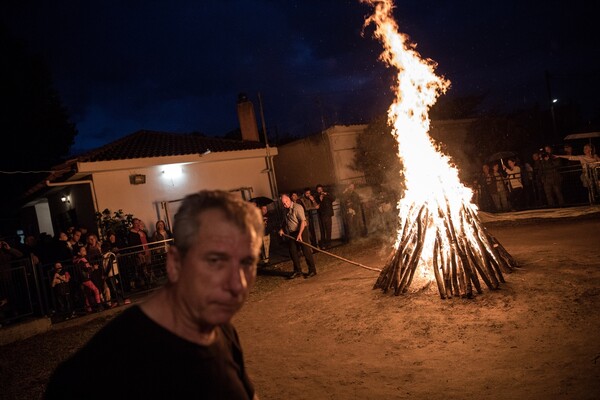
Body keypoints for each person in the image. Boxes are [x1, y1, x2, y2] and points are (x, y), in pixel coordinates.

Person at [44, 190, 263, 399]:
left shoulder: (223, 330)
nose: (238, 283)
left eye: (247, 262)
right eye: (216, 261)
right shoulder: (96, 372)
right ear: (175, 264)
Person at [278, 193, 317, 279]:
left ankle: (312, 270)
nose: (285, 204)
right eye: (283, 203)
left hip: (301, 231)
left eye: (286, 202)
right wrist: (282, 229)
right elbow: (285, 220)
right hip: (292, 233)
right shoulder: (285, 209)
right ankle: (297, 271)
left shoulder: (297, 207)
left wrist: (299, 234)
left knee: (306, 250)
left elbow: (303, 221)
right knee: (293, 251)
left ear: (289, 199)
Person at [315, 184, 336, 248]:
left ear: (322, 189)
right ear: (317, 191)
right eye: (318, 190)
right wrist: (320, 200)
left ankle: (329, 244)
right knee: (323, 230)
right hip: (321, 215)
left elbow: (333, 198)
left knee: (329, 229)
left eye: (321, 189)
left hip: (328, 214)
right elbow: (317, 206)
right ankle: (323, 244)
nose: (320, 191)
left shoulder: (327, 195)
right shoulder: (316, 197)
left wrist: (326, 194)